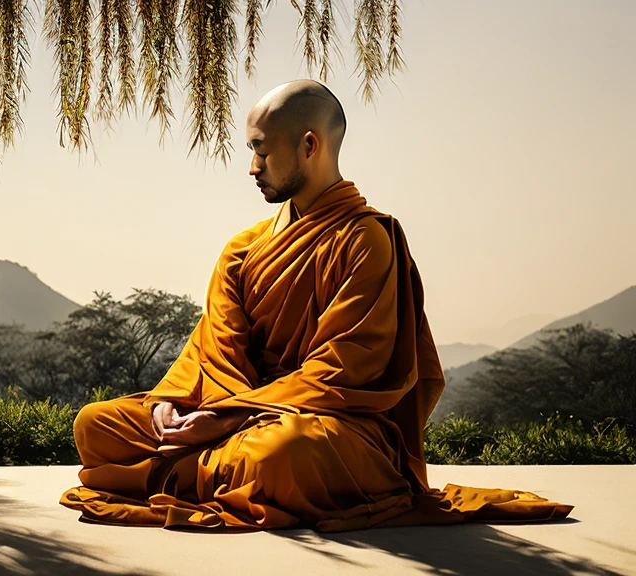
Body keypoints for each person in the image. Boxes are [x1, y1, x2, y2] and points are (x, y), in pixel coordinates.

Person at [59, 79, 573, 531]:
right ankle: (205, 469)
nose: (252, 166)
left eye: (262, 150)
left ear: (310, 144)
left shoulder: (368, 240)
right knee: (95, 426)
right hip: (232, 414)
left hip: (325, 423)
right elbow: (215, 352)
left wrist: (227, 420)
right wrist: (172, 404)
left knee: (286, 453)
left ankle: (182, 472)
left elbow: (341, 372)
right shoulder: (243, 249)